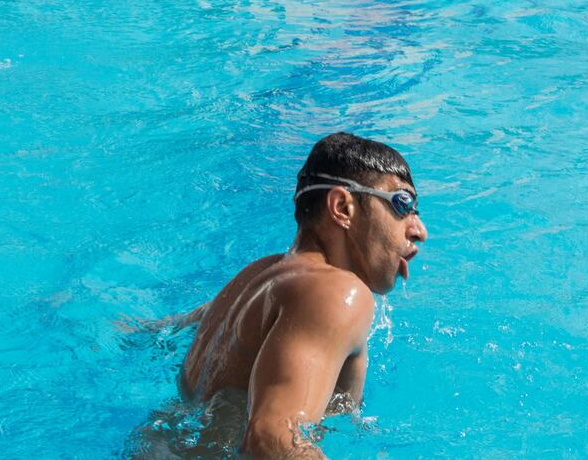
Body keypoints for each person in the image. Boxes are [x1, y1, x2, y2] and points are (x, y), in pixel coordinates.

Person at [180, 132, 428, 458]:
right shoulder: (337, 292)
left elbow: (169, 328)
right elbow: (269, 437)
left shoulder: (251, 278)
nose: (419, 230)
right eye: (402, 204)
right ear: (342, 207)